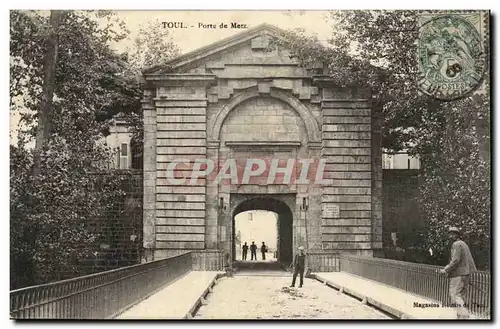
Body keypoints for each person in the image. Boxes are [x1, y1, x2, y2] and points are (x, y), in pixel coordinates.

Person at [439, 226, 477, 319]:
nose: (451, 236)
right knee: (460, 296)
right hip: (465, 273)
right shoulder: (464, 244)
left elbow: (455, 260)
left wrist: (445, 269)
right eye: (450, 234)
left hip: (458, 274)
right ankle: (460, 317)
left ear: (457, 235)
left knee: (455, 296)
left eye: (453, 234)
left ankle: (464, 316)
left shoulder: (456, 244)